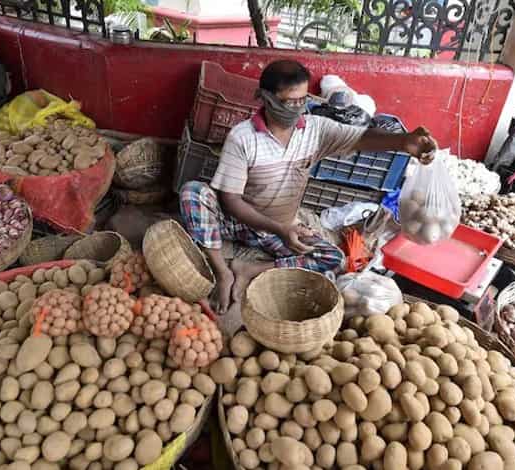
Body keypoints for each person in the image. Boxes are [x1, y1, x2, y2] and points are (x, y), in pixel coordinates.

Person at [180, 60, 437, 313]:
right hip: (239, 221)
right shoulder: (242, 137)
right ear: (265, 98)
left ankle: (250, 270)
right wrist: (278, 228)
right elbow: (231, 199)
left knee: (333, 259)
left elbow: (361, 138)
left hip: (280, 229)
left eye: (301, 101)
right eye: (287, 102)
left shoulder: (314, 130)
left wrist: (403, 142)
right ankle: (222, 271)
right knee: (193, 192)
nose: (296, 108)